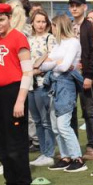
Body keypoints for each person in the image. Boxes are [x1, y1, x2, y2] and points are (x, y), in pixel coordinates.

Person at [0, 3, 34, 185]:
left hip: (15, 92)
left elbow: (27, 72)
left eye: (1, 20)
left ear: (9, 18)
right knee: (0, 143)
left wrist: (20, 100)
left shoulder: (18, 38)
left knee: (16, 144)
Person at [42, 15, 85, 172]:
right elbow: (44, 65)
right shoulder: (58, 44)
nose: (51, 28)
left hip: (66, 85)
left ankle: (77, 158)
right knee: (55, 126)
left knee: (63, 125)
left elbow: (65, 66)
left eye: (53, 25)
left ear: (59, 26)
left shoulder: (73, 42)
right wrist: (55, 64)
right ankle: (65, 156)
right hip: (54, 85)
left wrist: (53, 64)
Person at [68, 0, 93, 161]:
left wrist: (89, 75)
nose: (74, 8)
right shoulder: (68, 26)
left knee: (88, 112)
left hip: (84, 75)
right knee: (70, 112)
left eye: (77, 5)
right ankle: (73, 147)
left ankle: (91, 145)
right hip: (69, 75)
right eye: (72, 5)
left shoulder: (90, 26)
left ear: (84, 7)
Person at [26, 10, 56, 170]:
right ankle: (43, 151)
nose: (40, 24)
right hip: (29, 84)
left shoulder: (50, 38)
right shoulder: (28, 39)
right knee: (37, 120)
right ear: (32, 23)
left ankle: (49, 153)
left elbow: (50, 59)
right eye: (37, 21)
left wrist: (36, 69)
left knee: (46, 121)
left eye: (43, 21)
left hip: (42, 83)